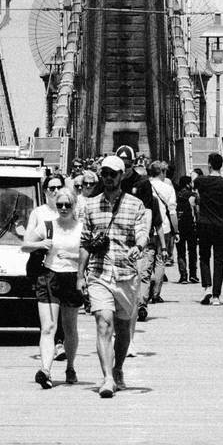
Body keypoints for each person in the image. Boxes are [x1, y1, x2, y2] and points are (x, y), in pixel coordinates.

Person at [75, 156, 150, 398]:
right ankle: (107, 378)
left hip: (126, 274)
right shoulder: (90, 206)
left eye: (113, 173)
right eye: (104, 173)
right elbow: (85, 243)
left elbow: (142, 231)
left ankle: (118, 369)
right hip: (99, 273)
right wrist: (80, 276)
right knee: (103, 322)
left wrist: (139, 246)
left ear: (122, 176)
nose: (108, 177)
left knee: (123, 329)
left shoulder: (135, 204)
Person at [20, 185, 83, 388]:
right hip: (49, 276)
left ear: (74, 205)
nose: (63, 208)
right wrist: (41, 244)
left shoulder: (81, 227)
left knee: (70, 328)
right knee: (48, 327)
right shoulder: (47, 226)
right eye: (60, 204)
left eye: (68, 204)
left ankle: (70, 366)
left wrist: (73, 256)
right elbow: (25, 245)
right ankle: (45, 370)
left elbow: (88, 255)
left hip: (72, 277)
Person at [113, 146, 164, 321]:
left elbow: (148, 211)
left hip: (139, 237)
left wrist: (145, 238)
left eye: (128, 165)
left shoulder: (142, 183)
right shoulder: (111, 180)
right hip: (118, 238)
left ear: (133, 164)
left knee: (142, 273)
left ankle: (141, 305)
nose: (125, 169)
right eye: (122, 165)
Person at [193, 151, 223, 305]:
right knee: (219, 260)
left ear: (209, 165)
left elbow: (193, 200)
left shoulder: (200, 182)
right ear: (222, 165)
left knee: (204, 257)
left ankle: (207, 287)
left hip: (204, 224)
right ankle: (216, 296)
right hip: (220, 225)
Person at [145, 161, 178, 304]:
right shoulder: (168, 188)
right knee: (160, 260)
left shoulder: (144, 186)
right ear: (163, 172)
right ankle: (156, 294)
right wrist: (176, 231)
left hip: (147, 228)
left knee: (147, 260)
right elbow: (172, 212)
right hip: (163, 228)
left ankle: (144, 292)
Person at [172, 170, 198, 284]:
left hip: (179, 226)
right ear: (188, 184)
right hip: (190, 226)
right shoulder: (192, 196)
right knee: (192, 250)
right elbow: (196, 211)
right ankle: (193, 274)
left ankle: (183, 276)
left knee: (180, 251)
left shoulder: (176, 196)